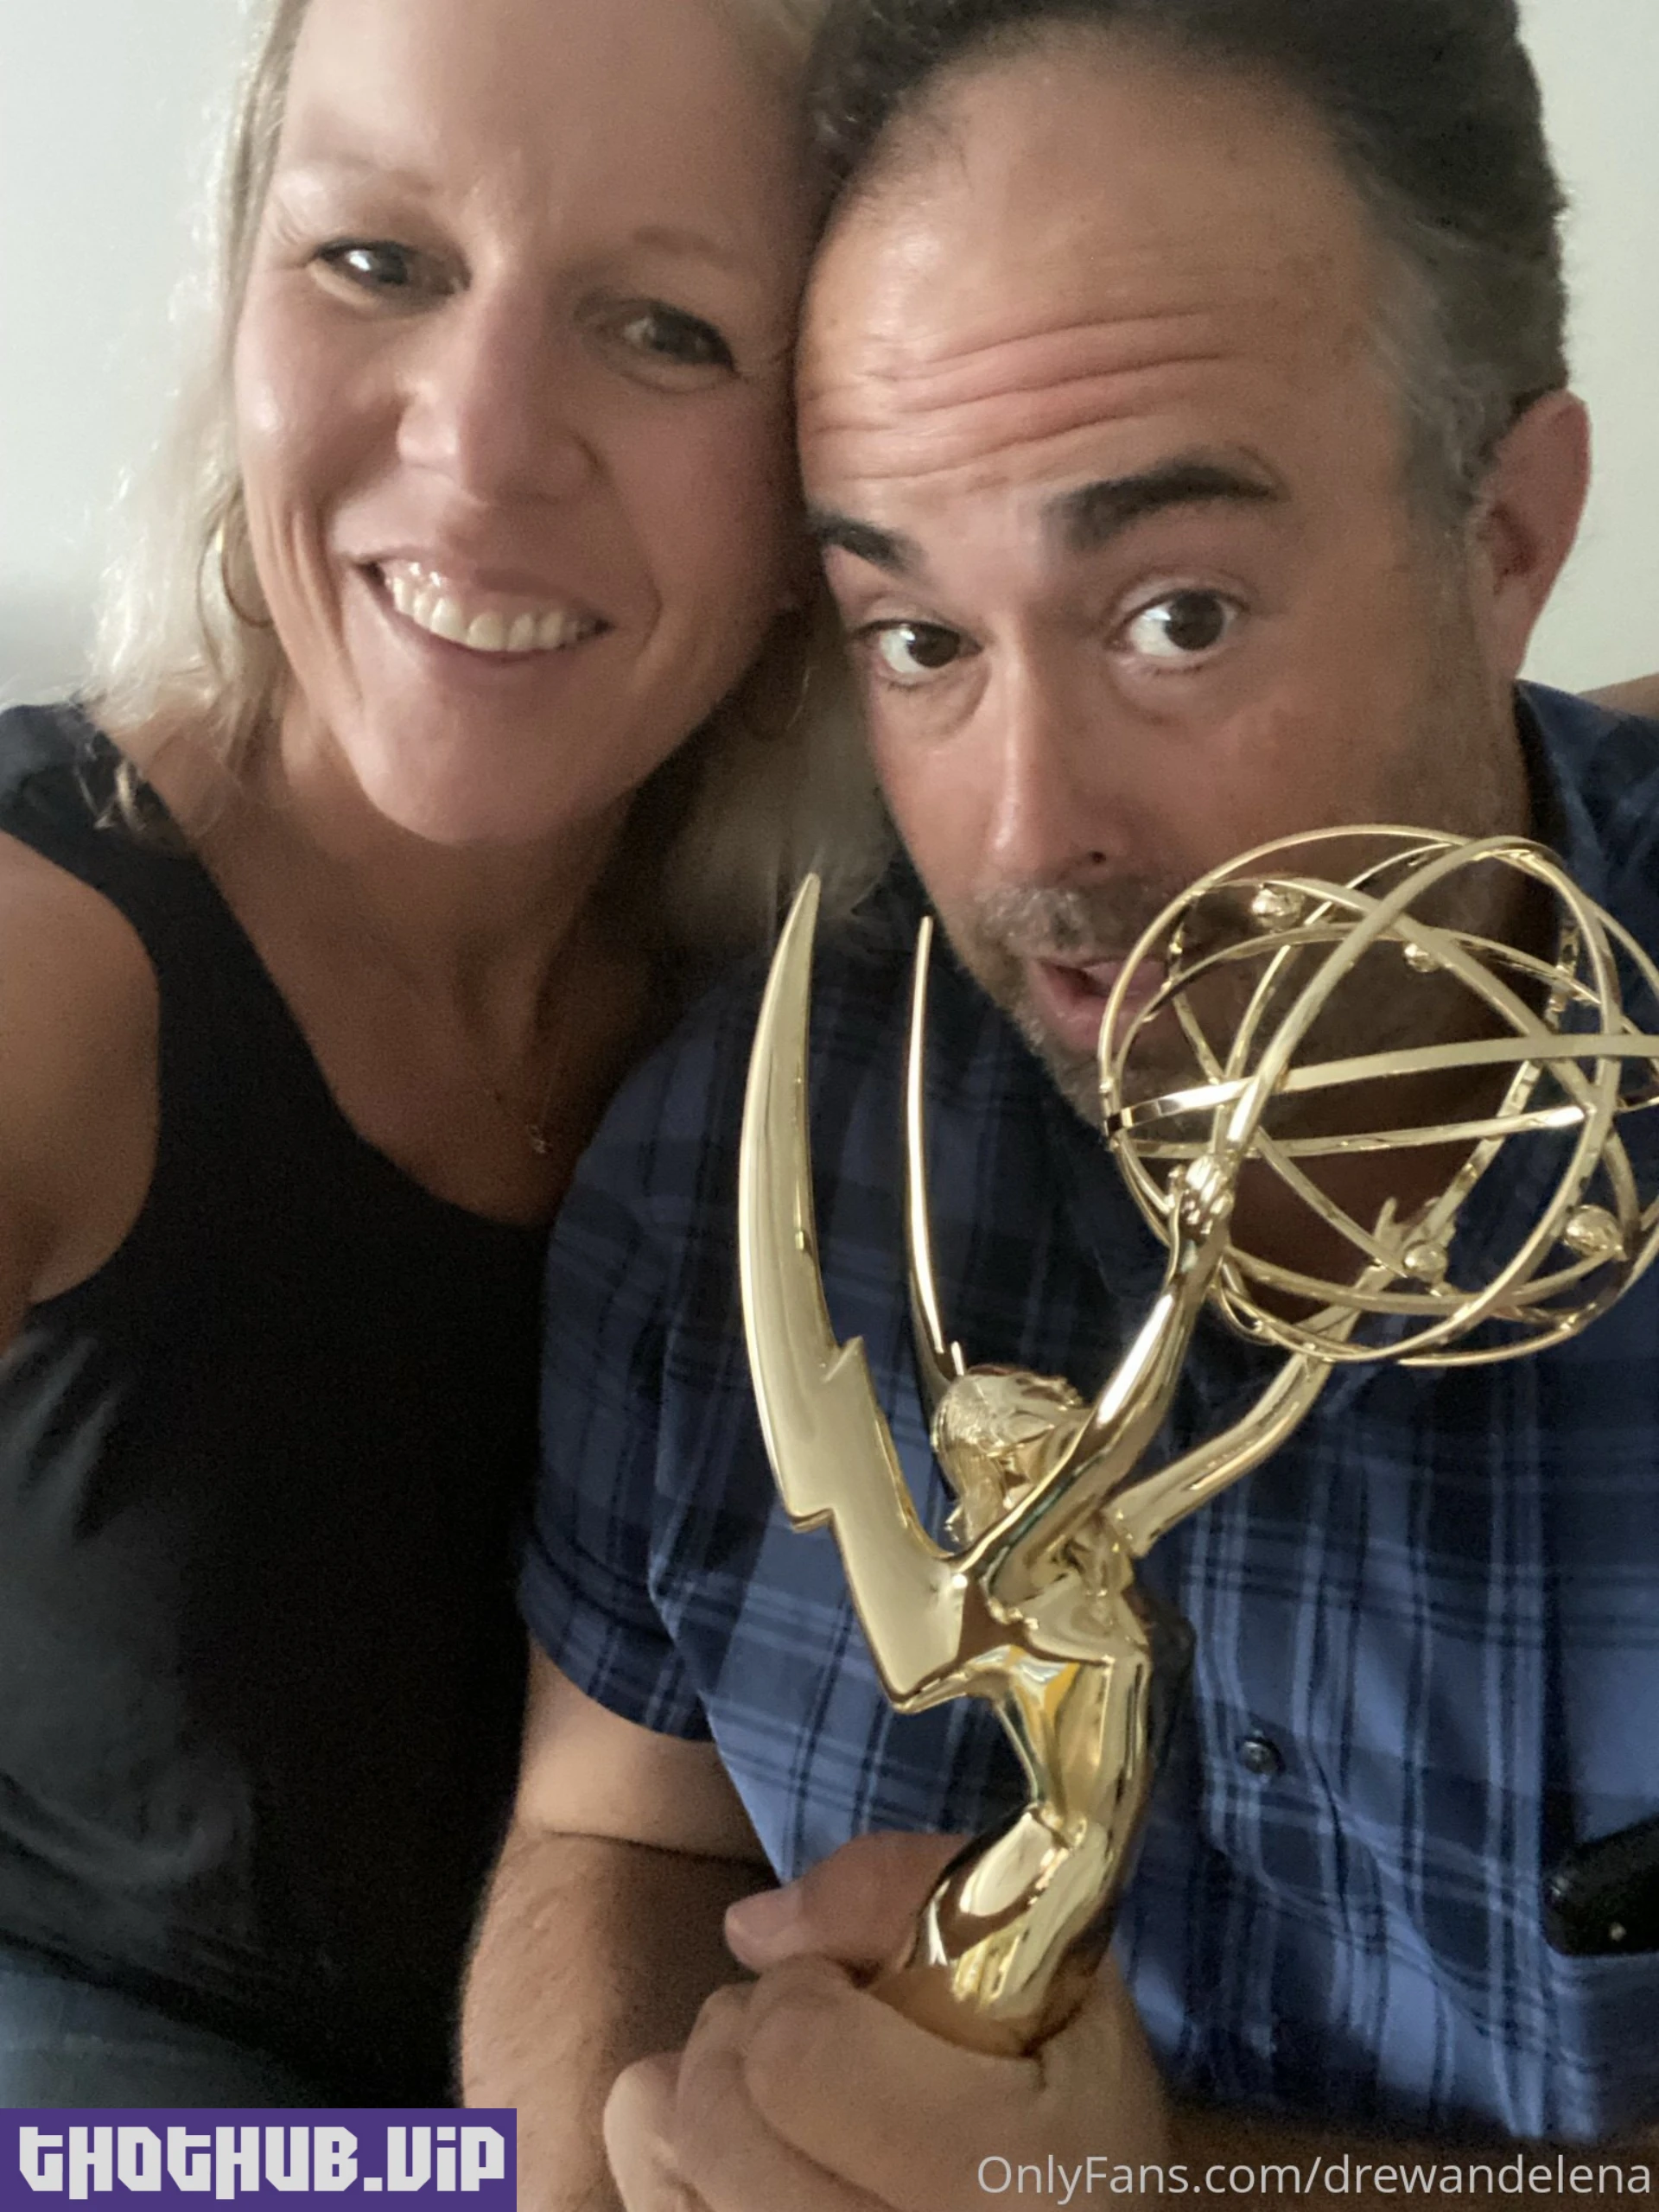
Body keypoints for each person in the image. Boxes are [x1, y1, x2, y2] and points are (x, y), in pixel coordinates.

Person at [462, 0, 1659, 2202]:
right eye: (917, 635)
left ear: (1507, 531)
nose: (1026, 833)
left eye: (1176, 614)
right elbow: (615, 1827)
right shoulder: (753, 1157)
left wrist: (1171, 2184)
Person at [0, 0, 882, 2109]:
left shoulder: (846, 1003)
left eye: (663, 328)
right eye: (377, 260)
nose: (481, 449)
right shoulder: (48, 966)